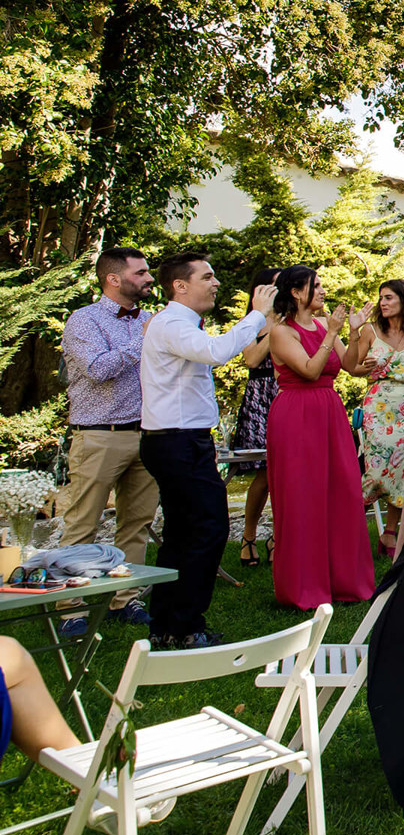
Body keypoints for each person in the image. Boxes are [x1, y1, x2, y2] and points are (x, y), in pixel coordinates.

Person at [138, 253, 276, 649]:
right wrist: (257, 315)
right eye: (208, 277)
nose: (216, 283)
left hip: (183, 439)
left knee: (183, 534)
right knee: (207, 528)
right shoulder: (170, 324)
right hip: (176, 441)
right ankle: (185, 626)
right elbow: (217, 353)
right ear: (180, 285)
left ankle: (167, 625)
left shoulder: (179, 324)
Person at [56, 247, 159, 634]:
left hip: (147, 433)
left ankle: (125, 598)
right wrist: (143, 343)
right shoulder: (83, 321)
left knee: (137, 522)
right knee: (82, 523)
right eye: (141, 272)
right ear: (114, 279)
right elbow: (98, 369)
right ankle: (70, 606)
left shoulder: (151, 319)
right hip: (100, 435)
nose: (149, 278)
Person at [263, 266, 375, 612]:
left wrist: (354, 334)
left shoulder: (328, 326)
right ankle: (303, 587)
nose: (324, 291)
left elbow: (351, 367)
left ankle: (343, 581)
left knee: (341, 491)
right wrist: (335, 333)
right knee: (302, 496)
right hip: (296, 415)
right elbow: (310, 369)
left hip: (329, 411)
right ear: (297, 293)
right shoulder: (281, 332)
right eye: (317, 286)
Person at [343, 279, 404, 558]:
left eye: (388, 298)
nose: (382, 303)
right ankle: (346, 528)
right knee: (375, 470)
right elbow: (351, 367)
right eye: (381, 298)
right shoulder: (370, 330)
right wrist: (355, 338)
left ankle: (390, 533)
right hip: (378, 405)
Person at [229, 267, 280, 570]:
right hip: (261, 395)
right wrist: (274, 327)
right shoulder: (253, 321)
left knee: (285, 475)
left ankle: (278, 537)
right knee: (264, 473)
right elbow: (251, 359)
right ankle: (249, 535)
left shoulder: (296, 318)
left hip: (286, 390)